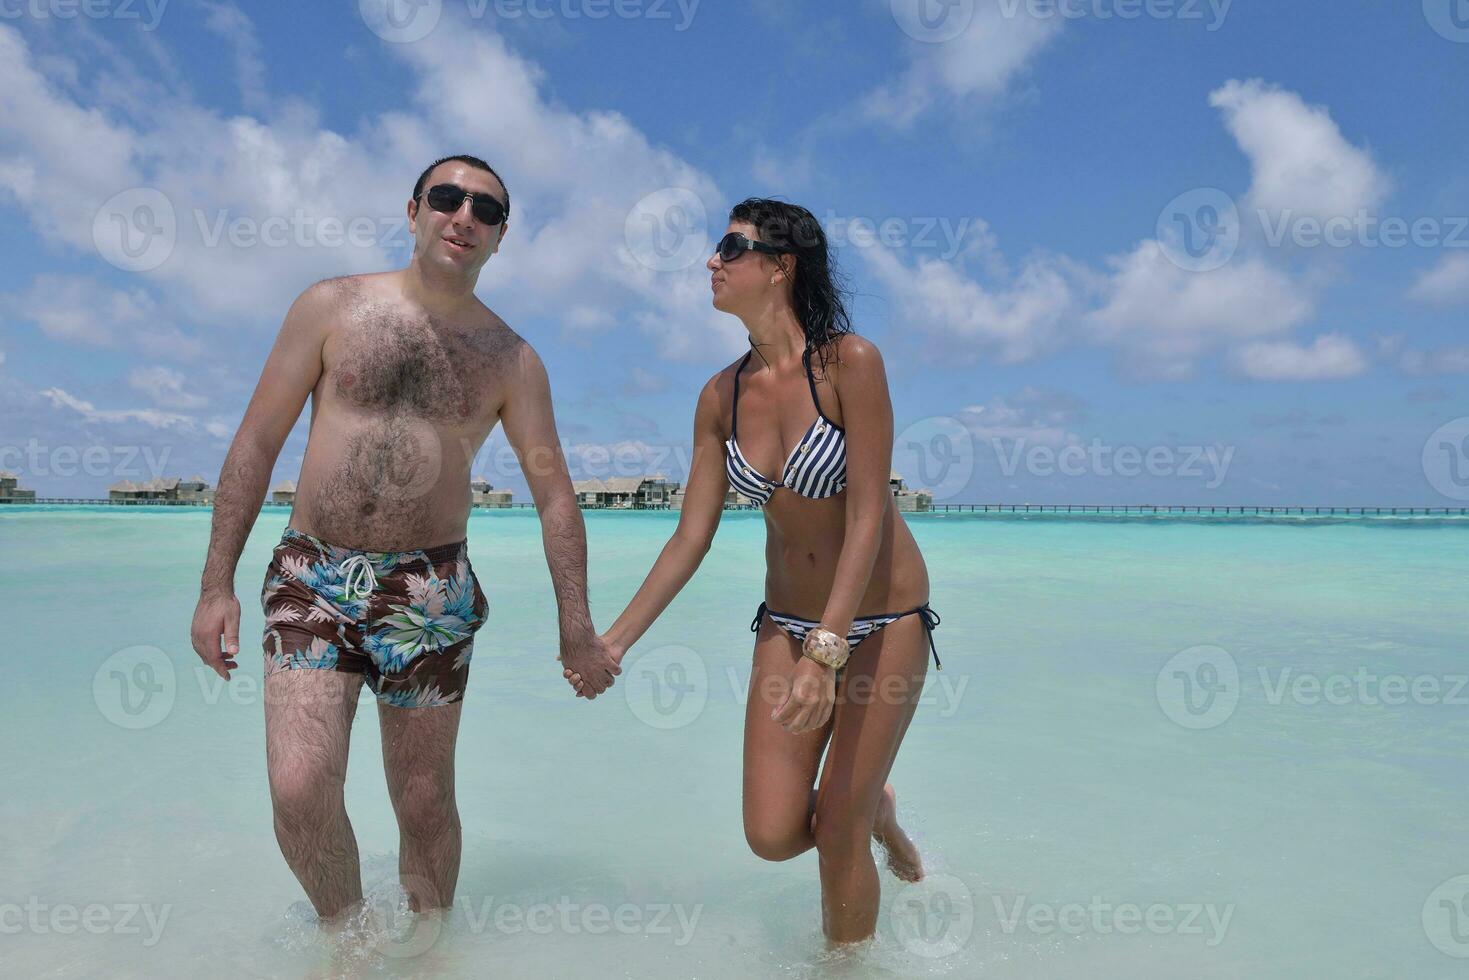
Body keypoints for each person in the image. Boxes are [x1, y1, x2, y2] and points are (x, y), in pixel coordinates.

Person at [188, 154, 619, 920]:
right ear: (414, 209)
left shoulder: (514, 361)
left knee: (422, 805)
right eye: (447, 198)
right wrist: (215, 582)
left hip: (430, 591)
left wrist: (576, 628)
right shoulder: (330, 306)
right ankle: (346, 942)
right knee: (298, 787)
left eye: (484, 210)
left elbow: (553, 496)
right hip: (311, 575)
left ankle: (427, 957)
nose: (464, 216)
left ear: (500, 236)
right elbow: (256, 441)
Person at [569, 199, 942, 945]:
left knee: (835, 835)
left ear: (781, 265)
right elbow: (689, 537)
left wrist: (826, 651)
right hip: (786, 621)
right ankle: (876, 809)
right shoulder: (720, 394)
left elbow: (868, 515)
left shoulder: (849, 365)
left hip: (880, 623)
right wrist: (612, 642)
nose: (711, 261)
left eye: (728, 247)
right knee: (770, 835)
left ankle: (844, 955)